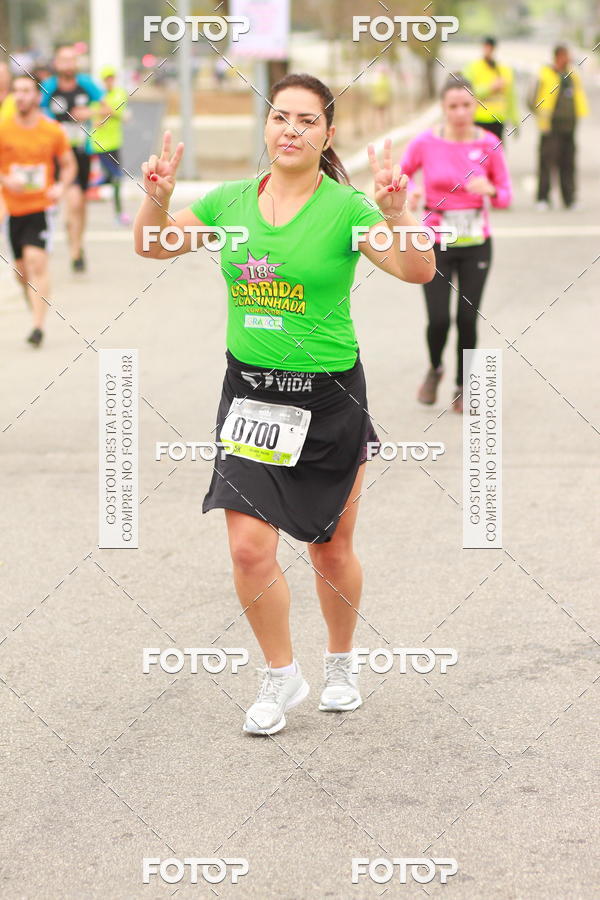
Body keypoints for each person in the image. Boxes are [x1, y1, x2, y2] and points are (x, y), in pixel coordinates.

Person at [134, 73, 434, 735]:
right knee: (247, 549)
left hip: (328, 401)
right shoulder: (230, 202)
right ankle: (279, 674)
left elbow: (418, 271)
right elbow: (153, 243)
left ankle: (342, 661)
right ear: (266, 128)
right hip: (250, 396)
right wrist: (154, 203)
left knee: (330, 549)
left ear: (327, 135)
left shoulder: (347, 210)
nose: (290, 129)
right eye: (280, 117)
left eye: (306, 120)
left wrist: (399, 215)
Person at [401, 74, 512, 413]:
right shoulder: (424, 143)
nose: (461, 112)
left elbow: (507, 196)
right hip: (434, 242)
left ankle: (463, 385)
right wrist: (411, 193)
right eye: (453, 106)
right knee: (438, 320)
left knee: (466, 319)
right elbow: (400, 178)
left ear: (475, 105)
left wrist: (491, 191)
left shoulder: (490, 143)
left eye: (466, 105)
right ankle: (435, 368)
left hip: (476, 244)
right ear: (443, 108)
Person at [0, 75, 76, 346]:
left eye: (25, 91)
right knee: (20, 271)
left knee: (37, 262)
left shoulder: (52, 130)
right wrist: (5, 179)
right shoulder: (4, 128)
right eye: (16, 91)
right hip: (13, 210)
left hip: (41, 208)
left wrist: (60, 187)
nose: (20, 96)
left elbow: (68, 165)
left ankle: (37, 327)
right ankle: (33, 302)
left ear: (36, 96)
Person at [41, 45, 104, 271]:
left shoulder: (86, 84)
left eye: (71, 60)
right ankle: (75, 251)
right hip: (58, 154)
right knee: (74, 200)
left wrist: (90, 113)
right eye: (63, 60)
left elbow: (109, 106)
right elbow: (38, 113)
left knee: (80, 203)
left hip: (82, 151)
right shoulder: (49, 87)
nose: (67, 64)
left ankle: (78, 242)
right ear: (56, 63)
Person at [530, 45, 589, 210]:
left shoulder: (572, 75)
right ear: (558, 56)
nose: (569, 58)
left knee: (568, 163)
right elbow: (531, 98)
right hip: (551, 126)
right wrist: (540, 114)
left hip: (569, 126)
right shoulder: (544, 74)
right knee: (547, 163)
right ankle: (543, 198)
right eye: (566, 55)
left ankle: (569, 199)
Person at [89, 65, 130, 225]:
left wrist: (105, 110)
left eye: (112, 78)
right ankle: (120, 214)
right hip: (99, 144)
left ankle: (86, 185)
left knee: (111, 178)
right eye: (107, 79)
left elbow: (117, 112)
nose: (109, 81)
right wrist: (104, 112)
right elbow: (95, 116)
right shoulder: (97, 95)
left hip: (115, 142)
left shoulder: (119, 93)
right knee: (117, 177)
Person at [463, 37, 519, 141]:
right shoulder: (473, 67)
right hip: (479, 118)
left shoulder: (504, 70)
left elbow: (511, 97)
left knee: (496, 152)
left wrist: (515, 121)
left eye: (490, 47)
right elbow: (467, 92)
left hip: (498, 119)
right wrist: (490, 88)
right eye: (486, 47)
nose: (488, 50)